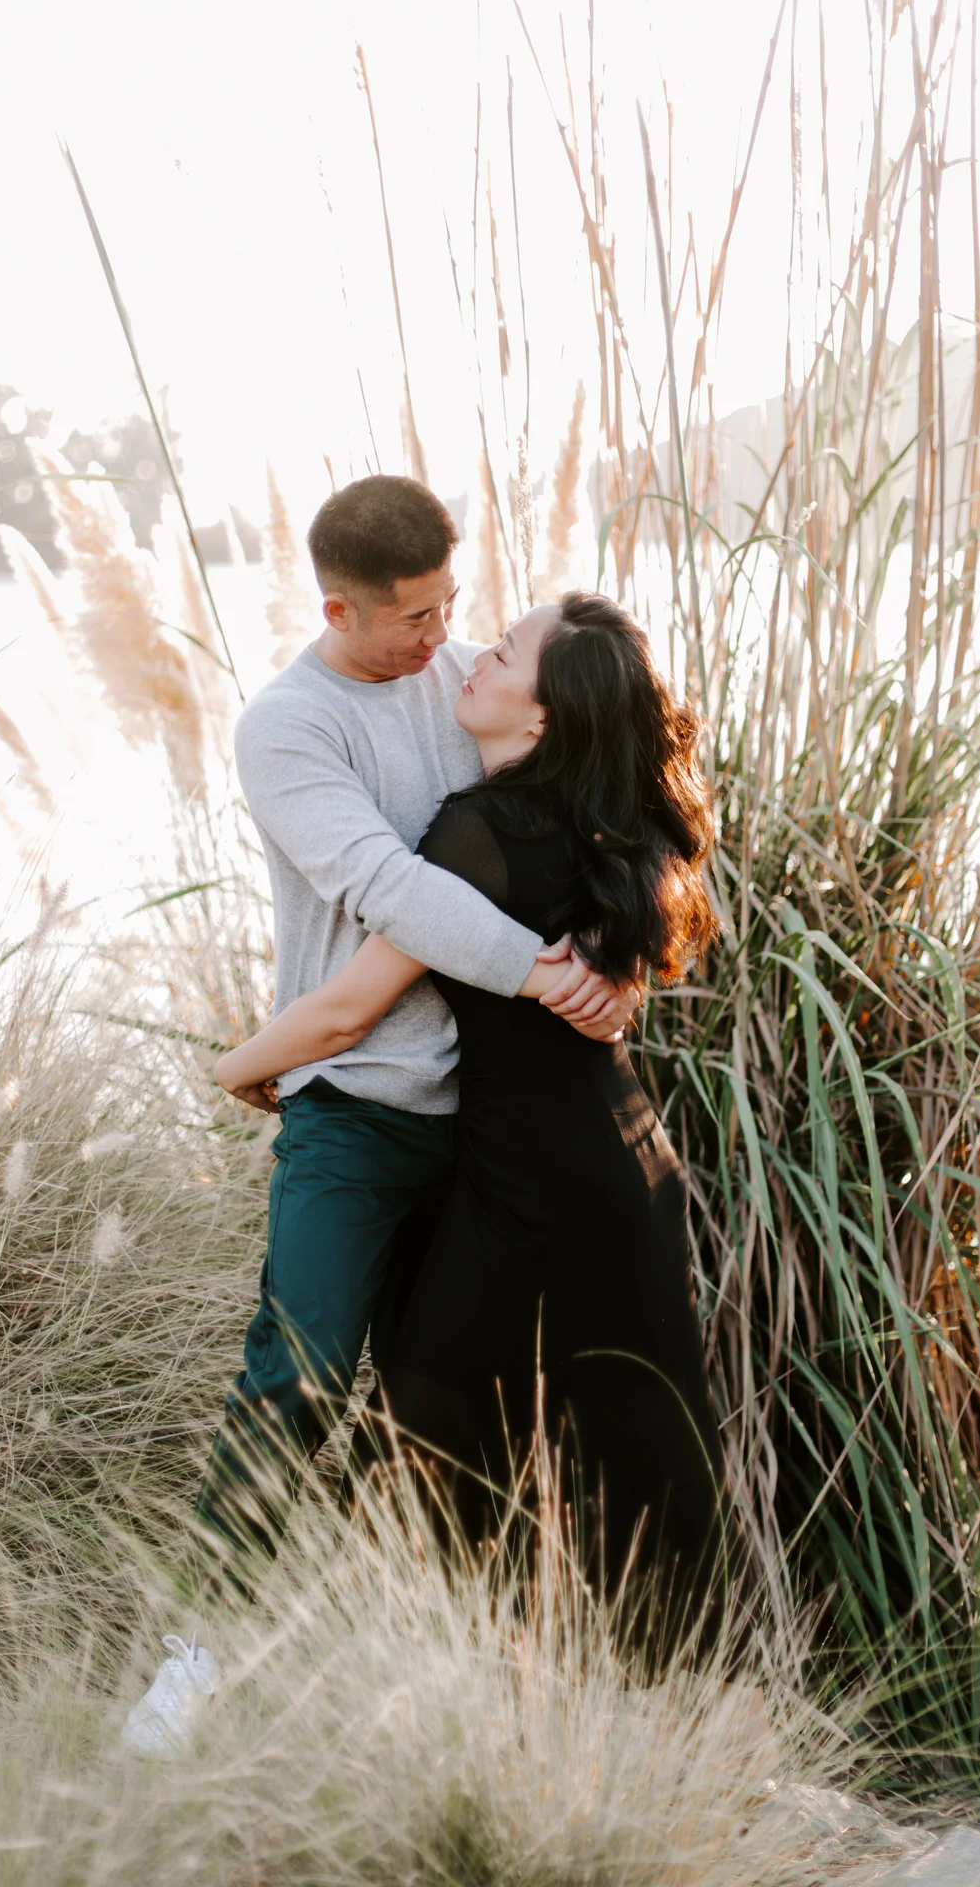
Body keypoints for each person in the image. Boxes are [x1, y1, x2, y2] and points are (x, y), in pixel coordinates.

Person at [123, 478, 639, 1758]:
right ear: (336, 606)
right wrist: (536, 967)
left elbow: (597, 784)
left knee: (460, 1410)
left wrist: (627, 946)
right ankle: (191, 1661)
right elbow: (383, 884)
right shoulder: (286, 730)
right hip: (356, 1120)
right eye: (413, 617)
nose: (441, 637)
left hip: (498, 1132)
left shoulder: (467, 677)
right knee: (292, 1377)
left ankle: (454, 1671)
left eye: (454, 605)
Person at [208, 590, 724, 1632]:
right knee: (647, 1465)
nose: (473, 657)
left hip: (527, 1185)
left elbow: (350, 1006)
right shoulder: (608, 822)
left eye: (503, 652)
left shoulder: (473, 834)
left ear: (540, 720)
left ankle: (362, 1673)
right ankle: (678, 1710)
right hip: (631, 1175)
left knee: (418, 1449)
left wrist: (235, 1064)